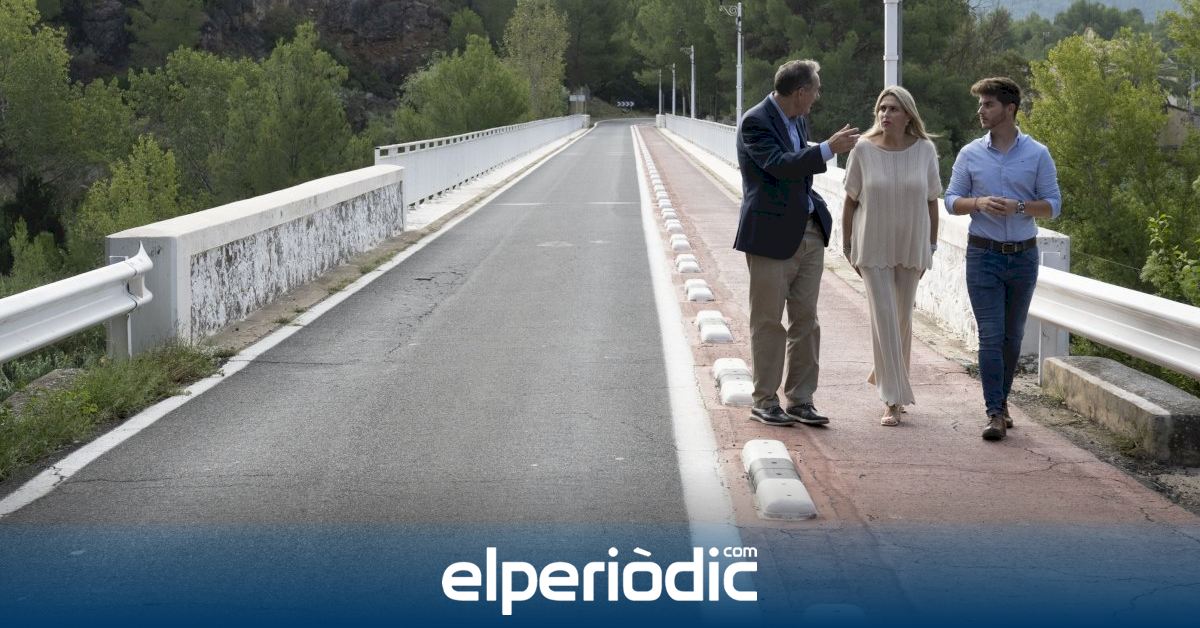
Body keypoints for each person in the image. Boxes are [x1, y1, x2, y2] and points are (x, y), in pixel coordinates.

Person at [733, 59, 860, 427]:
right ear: (801, 92)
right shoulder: (755, 121)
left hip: (809, 231)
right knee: (768, 321)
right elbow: (780, 164)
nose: (817, 98)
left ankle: (801, 400)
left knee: (806, 319)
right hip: (770, 235)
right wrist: (828, 149)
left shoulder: (798, 119)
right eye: (815, 91)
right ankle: (765, 400)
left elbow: (799, 166)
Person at [944, 77, 1062, 441]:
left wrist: (1019, 207)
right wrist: (978, 203)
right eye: (980, 104)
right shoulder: (970, 154)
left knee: (1013, 337)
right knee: (991, 336)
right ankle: (994, 412)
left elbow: (1053, 205)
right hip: (983, 255)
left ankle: (1002, 400)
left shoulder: (1038, 154)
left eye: (988, 104)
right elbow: (951, 200)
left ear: (1009, 109)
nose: (980, 111)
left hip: (1023, 257)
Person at [841, 86, 941, 427]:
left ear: (908, 115)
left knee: (902, 320)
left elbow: (932, 201)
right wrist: (847, 246)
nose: (885, 114)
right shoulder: (863, 149)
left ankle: (887, 376)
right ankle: (892, 399)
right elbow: (850, 200)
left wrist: (931, 246)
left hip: (911, 245)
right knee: (884, 317)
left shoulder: (925, 150)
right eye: (882, 108)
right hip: (872, 245)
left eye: (893, 109)